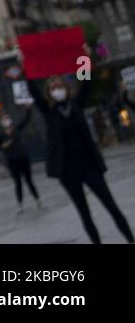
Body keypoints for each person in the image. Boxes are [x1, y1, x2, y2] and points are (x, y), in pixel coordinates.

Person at [28, 70, 134, 244]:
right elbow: (33, 90)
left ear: (66, 88)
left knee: (112, 207)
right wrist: (25, 67)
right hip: (68, 172)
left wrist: (84, 59)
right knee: (85, 215)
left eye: (59, 86)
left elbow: (86, 83)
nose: (57, 89)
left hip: (89, 166)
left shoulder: (76, 104)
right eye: (53, 87)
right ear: (49, 93)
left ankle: (131, 239)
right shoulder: (49, 112)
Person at [0, 108, 41, 212]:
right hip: (12, 161)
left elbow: (26, 120)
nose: (6, 120)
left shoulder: (16, 129)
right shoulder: (1, 134)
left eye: (7, 118)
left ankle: (38, 200)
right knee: (18, 183)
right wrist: (4, 145)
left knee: (29, 180)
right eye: (4, 119)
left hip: (22, 158)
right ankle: (20, 204)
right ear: (1, 122)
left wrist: (28, 109)